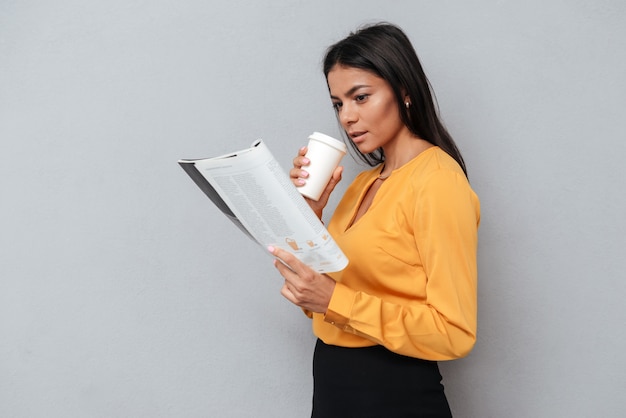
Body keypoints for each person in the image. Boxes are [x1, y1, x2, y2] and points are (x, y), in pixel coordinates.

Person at [267, 22, 480, 417]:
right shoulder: (363, 183)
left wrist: (335, 302)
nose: (347, 117)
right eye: (338, 103)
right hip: (334, 385)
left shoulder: (438, 182)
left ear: (404, 92)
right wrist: (308, 214)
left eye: (360, 97)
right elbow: (318, 297)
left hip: (393, 393)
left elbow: (454, 331)